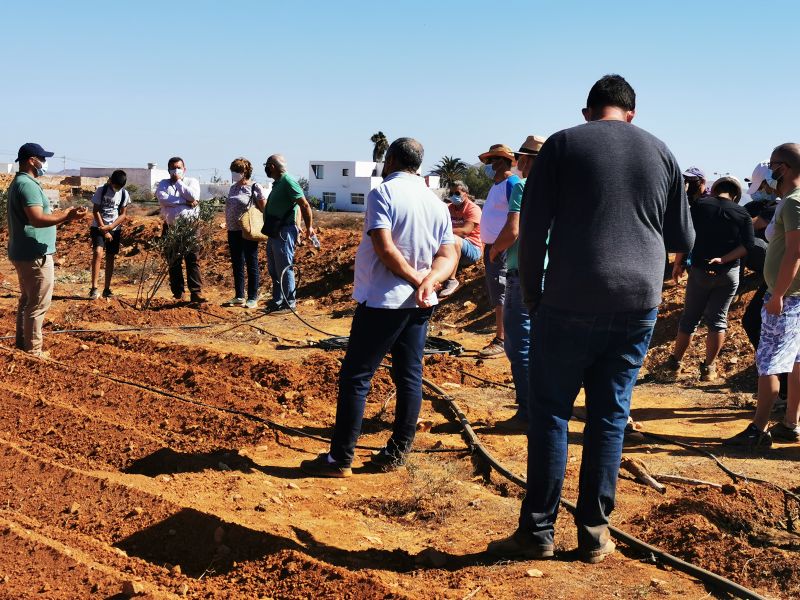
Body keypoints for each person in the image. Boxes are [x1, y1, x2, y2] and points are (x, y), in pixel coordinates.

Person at [488, 75, 694, 563]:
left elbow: (533, 228)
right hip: (636, 305)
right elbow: (683, 236)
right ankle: (595, 533)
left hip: (568, 300)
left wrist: (533, 295)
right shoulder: (662, 152)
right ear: (631, 113)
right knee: (609, 416)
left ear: (587, 112)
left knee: (552, 413)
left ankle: (537, 531)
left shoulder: (562, 144)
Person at [300, 138, 456, 477]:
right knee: (410, 377)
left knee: (357, 376)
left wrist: (417, 280)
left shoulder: (382, 194)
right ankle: (398, 452)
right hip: (419, 304)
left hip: (385, 302)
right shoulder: (436, 203)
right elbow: (449, 255)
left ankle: (340, 459)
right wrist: (430, 281)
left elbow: (384, 248)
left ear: (391, 160)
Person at [724, 143, 800, 449]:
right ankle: (790, 423)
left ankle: (758, 429)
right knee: (796, 362)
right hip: (794, 295)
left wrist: (778, 293)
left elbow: (795, 251)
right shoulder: (791, 202)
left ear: (783, 168)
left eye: (772, 166)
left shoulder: (794, 203)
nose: (769, 172)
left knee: (769, 362)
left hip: (788, 296)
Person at [666, 176, 755, 381]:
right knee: (718, 320)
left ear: (715, 190)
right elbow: (747, 245)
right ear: (735, 195)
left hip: (700, 271)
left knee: (690, 319)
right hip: (728, 273)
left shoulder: (699, 205)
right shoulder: (742, 213)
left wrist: (679, 263)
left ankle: (675, 365)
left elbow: (686, 236)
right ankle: (709, 369)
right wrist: (723, 259)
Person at [487, 135, 546, 431]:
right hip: (554, 275)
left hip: (523, 273)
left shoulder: (523, 186)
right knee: (544, 343)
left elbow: (513, 229)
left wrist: (496, 249)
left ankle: (527, 411)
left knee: (520, 344)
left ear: (526, 160)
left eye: (521, 158)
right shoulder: (561, 189)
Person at [7, 142, 88, 357]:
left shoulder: (20, 183)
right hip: (34, 253)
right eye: (42, 159)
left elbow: (38, 216)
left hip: (23, 251)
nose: (44, 163)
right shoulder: (28, 185)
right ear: (32, 160)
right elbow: (37, 219)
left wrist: (63, 216)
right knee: (37, 303)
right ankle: (33, 351)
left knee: (27, 300)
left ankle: (22, 346)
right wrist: (67, 216)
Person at [477, 144, 521, 357]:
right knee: (498, 292)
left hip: (501, 248)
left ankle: (501, 340)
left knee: (502, 291)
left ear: (502, 161)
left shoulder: (511, 183)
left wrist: (498, 246)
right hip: (493, 247)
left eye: (492, 160)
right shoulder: (497, 185)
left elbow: (517, 217)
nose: (488, 165)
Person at [262, 154, 315, 313]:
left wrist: (309, 227)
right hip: (275, 231)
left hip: (284, 231)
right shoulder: (278, 183)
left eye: (267, 166)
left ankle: (289, 303)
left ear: (272, 166)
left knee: (284, 268)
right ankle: (278, 300)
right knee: (274, 269)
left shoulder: (288, 181)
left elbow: (304, 205)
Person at [155, 157, 206, 303]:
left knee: (192, 259)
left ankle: (196, 292)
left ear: (184, 169)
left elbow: (193, 195)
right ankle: (178, 293)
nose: (175, 170)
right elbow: (164, 199)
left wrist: (178, 182)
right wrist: (185, 202)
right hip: (171, 228)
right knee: (174, 260)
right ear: (168, 170)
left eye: (178, 167)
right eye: (172, 168)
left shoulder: (192, 182)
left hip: (190, 227)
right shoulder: (164, 184)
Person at [225, 157, 267, 309]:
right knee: (237, 263)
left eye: (237, 171)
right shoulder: (233, 188)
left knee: (251, 262)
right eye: (233, 170)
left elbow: (264, 208)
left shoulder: (255, 187)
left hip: (248, 230)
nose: (234, 173)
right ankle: (239, 295)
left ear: (245, 172)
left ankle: (252, 297)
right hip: (233, 230)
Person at [89, 169, 130, 300]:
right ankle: (94, 288)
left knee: (110, 257)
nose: (117, 189)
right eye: (116, 186)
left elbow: (123, 214)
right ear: (111, 181)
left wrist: (112, 227)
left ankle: (107, 288)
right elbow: (95, 211)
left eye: (120, 187)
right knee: (98, 253)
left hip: (114, 228)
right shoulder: (101, 190)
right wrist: (104, 229)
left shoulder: (124, 194)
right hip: (99, 227)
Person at [439, 181, 482, 297]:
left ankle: (452, 280)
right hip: (452, 249)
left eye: (457, 193)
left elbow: (465, 231)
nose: (454, 196)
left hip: (472, 249)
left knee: (454, 239)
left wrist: (442, 233)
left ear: (465, 194)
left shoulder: (473, 209)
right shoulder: (448, 208)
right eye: (451, 193)